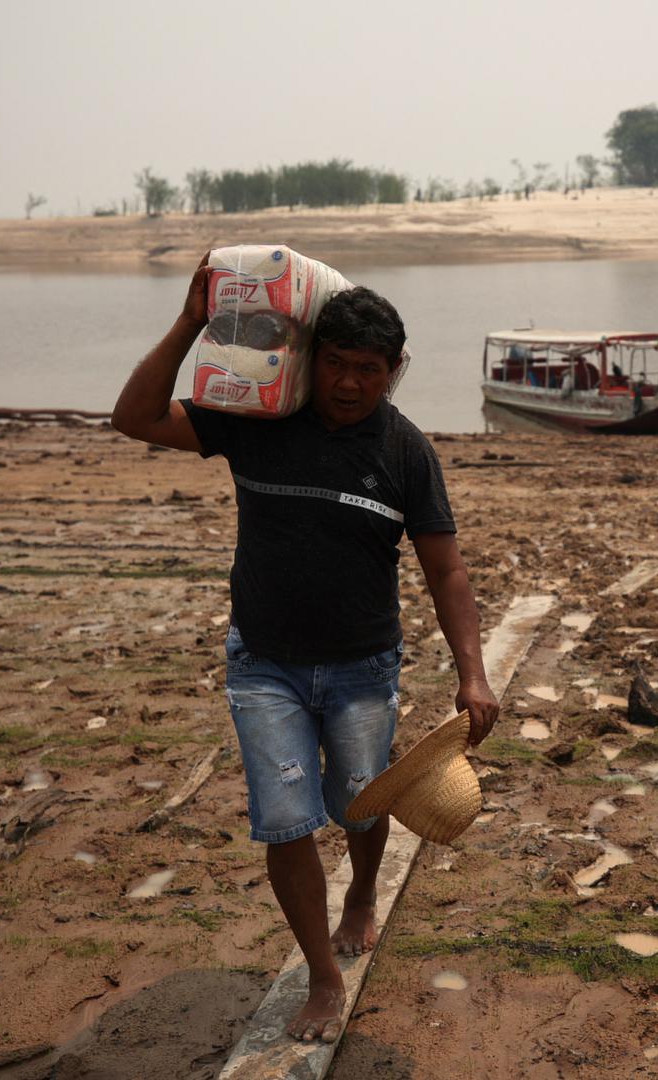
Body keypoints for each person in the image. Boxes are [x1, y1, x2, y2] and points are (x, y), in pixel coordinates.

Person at [111, 256, 498, 1044]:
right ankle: (323, 975)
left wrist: (473, 670)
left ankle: (361, 893)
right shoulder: (259, 422)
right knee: (286, 821)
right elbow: (135, 418)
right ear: (306, 355)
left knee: (360, 800)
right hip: (265, 665)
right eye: (336, 363)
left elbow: (446, 567)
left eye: (370, 370)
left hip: (364, 668)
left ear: (395, 374)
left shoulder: (406, 452)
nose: (350, 384)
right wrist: (192, 323)